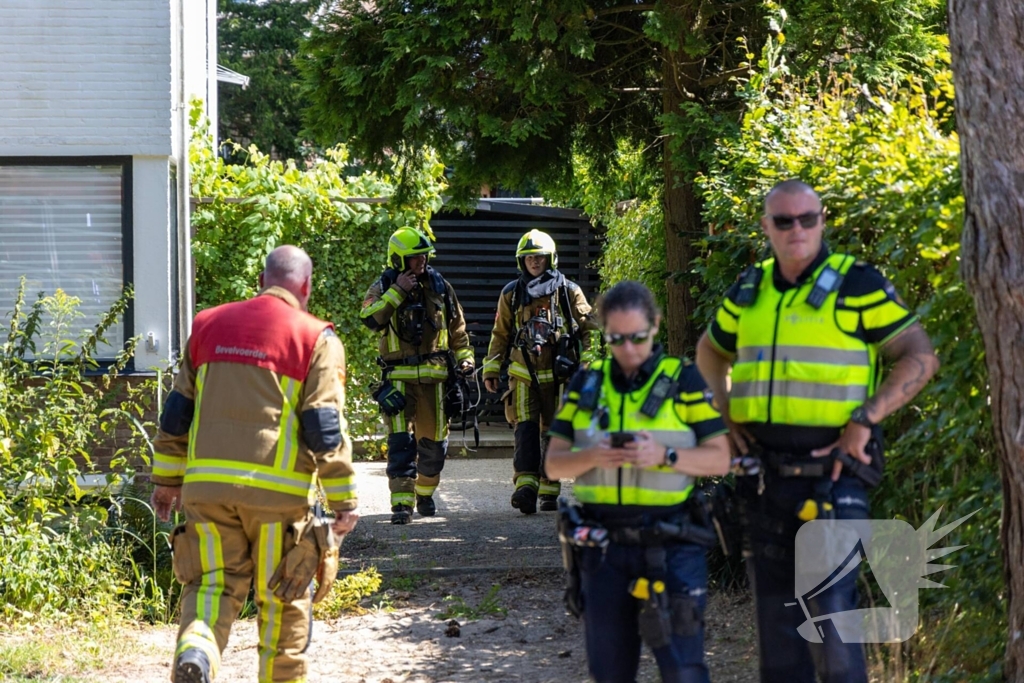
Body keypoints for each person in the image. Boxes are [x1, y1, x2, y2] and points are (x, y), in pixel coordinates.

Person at [695, 179, 939, 683]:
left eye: (808, 218)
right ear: (766, 226)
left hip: (834, 477)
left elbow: (919, 356)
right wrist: (724, 413)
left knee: (832, 633)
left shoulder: (857, 284)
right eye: (784, 220)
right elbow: (711, 350)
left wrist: (865, 419)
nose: (797, 229)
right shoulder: (751, 288)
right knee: (779, 645)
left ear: (822, 220)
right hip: (763, 482)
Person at [149, 245, 359, 683]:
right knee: (283, 600)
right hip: (277, 500)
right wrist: (343, 500)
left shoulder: (207, 326)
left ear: (262, 281)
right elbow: (324, 425)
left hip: (207, 493)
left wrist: (167, 480)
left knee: (211, 587)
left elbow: (176, 414)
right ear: (306, 287)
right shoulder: (316, 338)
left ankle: (196, 651)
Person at [546, 280, 731, 683]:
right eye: (616, 339)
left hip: (671, 544)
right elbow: (553, 465)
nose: (628, 349)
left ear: (656, 326)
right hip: (603, 549)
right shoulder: (587, 382)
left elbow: (721, 456)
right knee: (609, 672)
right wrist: (593, 456)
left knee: (684, 671)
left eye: (637, 337)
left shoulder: (683, 379)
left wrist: (665, 456)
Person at [360, 226, 474, 524]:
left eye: (424, 256)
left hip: (435, 380)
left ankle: (424, 492)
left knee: (434, 447)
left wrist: (466, 360)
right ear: (398, 259)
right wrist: (397, 291)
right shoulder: (384, 285)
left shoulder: (440, 286)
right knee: (400, 443)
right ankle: (401, 505)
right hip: (398, 380)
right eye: (414, 257)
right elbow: (369, 318)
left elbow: (458, 329)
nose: (421, 261)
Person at [483, 229, 598, 514]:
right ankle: (525, 487)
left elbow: (591, 330)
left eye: (540, 257)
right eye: (529, 258)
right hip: (523, 374)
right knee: (525, 429)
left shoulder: (568, 291)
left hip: (560, 377)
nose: (535, 262)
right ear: (521, 261)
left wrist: (588, 364)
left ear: (551, 259)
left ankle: (549, 489)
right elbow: (500, 333)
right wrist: (491, 369)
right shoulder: (511, 294)